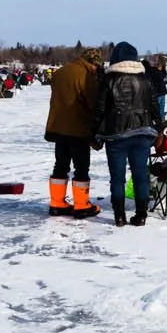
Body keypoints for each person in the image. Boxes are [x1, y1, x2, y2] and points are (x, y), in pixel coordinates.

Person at [91, 42, 164, 226]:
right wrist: (159, 129)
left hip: (116, 135)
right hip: (143, 133)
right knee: (140, 176)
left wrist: (94, 133)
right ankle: (141, 215)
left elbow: (99, 109)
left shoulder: (109, 79)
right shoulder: (145, 79)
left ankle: (119, 216)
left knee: (117, 178)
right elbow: (155, 107)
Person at [44, 48, 104, 219]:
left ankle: (57, 203)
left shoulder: (60, 72)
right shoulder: (86, 76)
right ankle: (81, 205)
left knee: (60, 165)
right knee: (81, 167)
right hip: (78, 128)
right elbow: (92, 103)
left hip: (59, 126)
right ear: (93, 62)